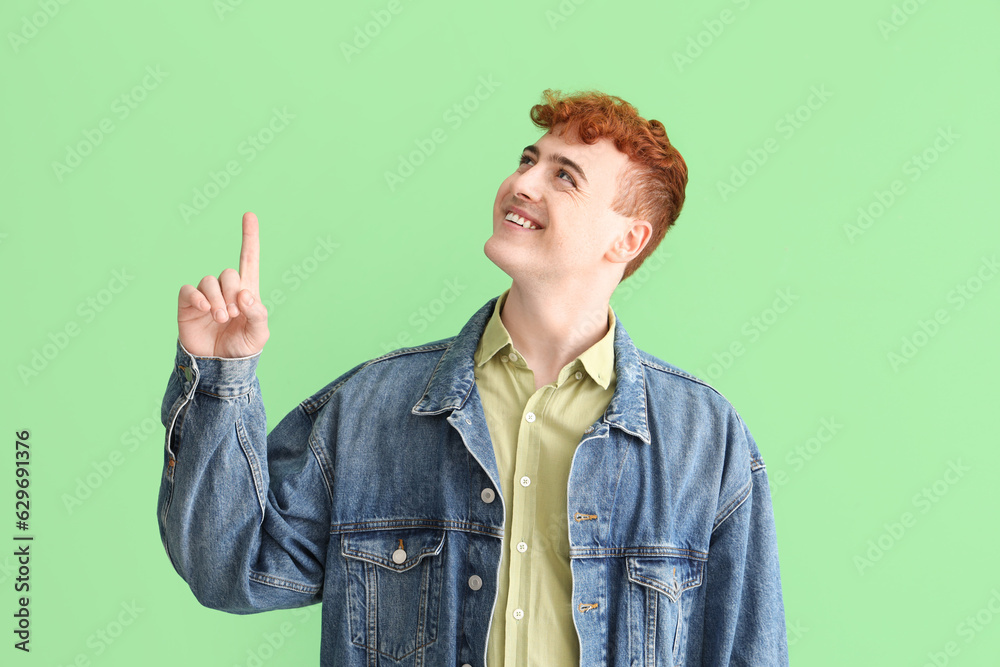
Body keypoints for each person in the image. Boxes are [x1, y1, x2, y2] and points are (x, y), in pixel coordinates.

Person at [158, 89, 789, 666]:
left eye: (563, 176)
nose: (522, 183)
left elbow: (749, 653)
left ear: (628, 239)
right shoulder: (374, 407)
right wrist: (223, 375)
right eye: (528, 160)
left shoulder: (704, 438)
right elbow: (231, 568)